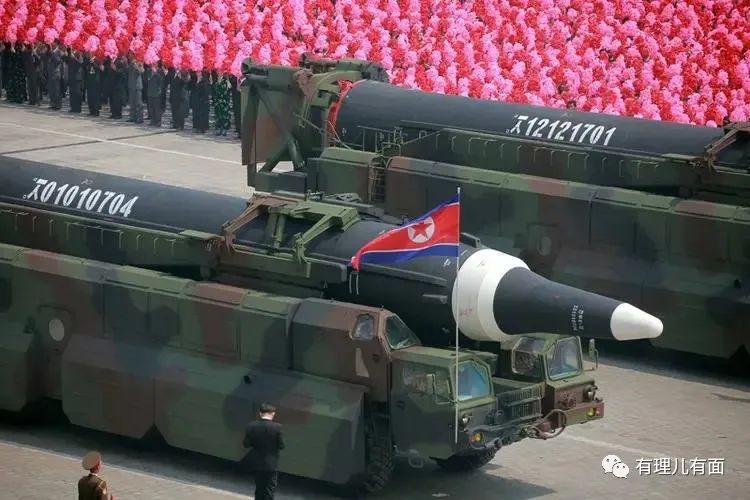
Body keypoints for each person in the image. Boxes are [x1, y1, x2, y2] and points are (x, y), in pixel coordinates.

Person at [243, 403, 285, 500]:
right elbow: (282, 446)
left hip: (257, 463)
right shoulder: (278, 427)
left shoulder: (251, 426)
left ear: (260, 413)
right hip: (271, 464)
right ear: (273, 413)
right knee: (270, 489)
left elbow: (246, 444)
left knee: (259, 488)